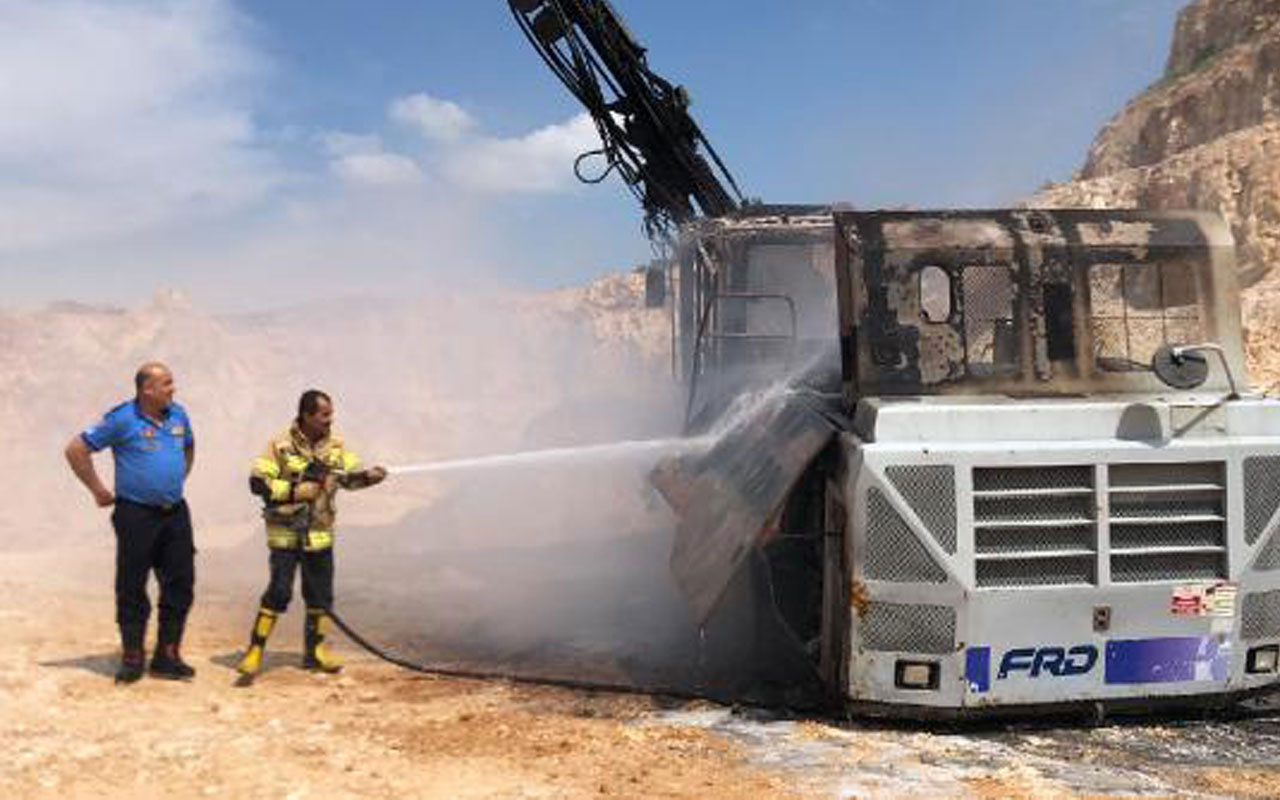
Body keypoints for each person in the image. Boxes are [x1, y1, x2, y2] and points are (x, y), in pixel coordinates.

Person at [235, 389, 386, 681]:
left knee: (320, 596)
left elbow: (350, 479)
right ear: (306, 416)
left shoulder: (337, 447)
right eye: (324, 414)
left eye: (331, 414)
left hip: (319, 535)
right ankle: (255, 650)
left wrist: (370, 477)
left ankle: (315, 652)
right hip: (285, 534)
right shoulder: (280, 445)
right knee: (279, 592)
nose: (330, 420)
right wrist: (293, 491)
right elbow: (257, 483)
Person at [64, 362, 197, 684]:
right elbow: (76, 449)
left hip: (175, 513)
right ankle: (133, 657)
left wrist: (175, 478)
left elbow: (189, 446)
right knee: (132, 586)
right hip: (136, 515)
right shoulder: (122, 418)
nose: (172, 388)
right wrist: (98, 490)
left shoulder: (178, 414)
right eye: (166, 383)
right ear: (146, 389)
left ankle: (167, 655)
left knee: (180, 583)